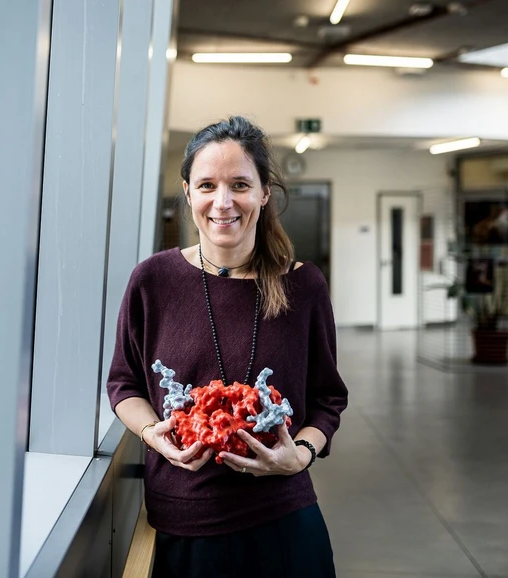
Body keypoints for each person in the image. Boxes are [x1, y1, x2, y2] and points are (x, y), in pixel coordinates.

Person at [107, 116, 349, 577]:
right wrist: (151, 433)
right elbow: (124, 383)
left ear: (263, 193)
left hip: (284, 521)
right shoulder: (152, 281)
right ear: (188, 192)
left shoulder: (303, 286)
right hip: (185, 524)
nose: (223, 202)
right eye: (207, 185)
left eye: (240, 184)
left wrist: (300, 454)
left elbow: (328, 398)